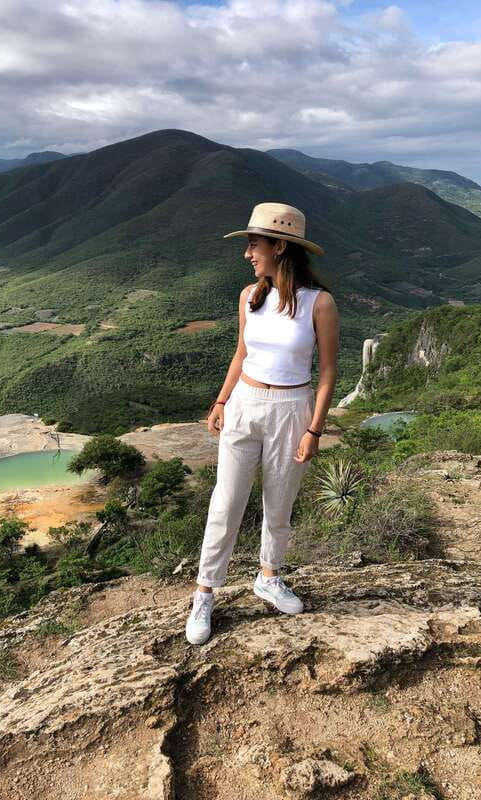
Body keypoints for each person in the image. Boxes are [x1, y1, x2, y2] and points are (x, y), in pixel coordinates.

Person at [186, 202, 340, 645]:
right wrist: (221, 400)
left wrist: (314, 429)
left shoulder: (319, 303)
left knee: (280, 502)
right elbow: (241, 353)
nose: (247, 254)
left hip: (293, 408)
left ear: (279, 246)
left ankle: (268, 576)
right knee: (226, 502)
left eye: (254, 245)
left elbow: (328, 371)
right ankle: (205, 592)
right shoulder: (249, 296)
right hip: (245, 402)